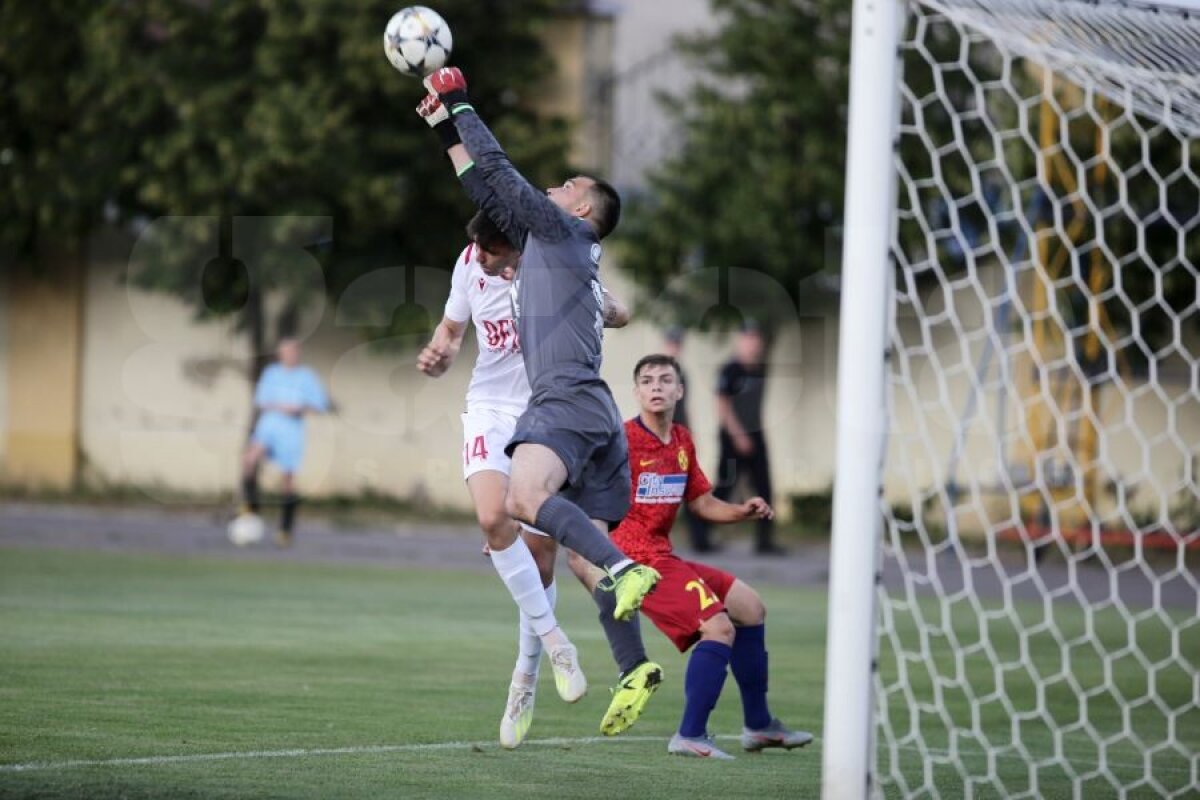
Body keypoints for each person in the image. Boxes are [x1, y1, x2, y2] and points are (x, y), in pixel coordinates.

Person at [415, 67, 664, 734]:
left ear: (578, 209)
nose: (551, 188)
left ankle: (622, 569)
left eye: (565, 187)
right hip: (594, 413)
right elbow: (485, 191)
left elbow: (496, 170)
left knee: (522, 504)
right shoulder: (557, 250)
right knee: (575, 553)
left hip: (564, 401)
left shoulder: (558, 233)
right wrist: (443, 125)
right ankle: (634, 666)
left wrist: (461, 98)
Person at [570, 354, 812, 759]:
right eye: (647, 381)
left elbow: (701, 503)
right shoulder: (620, 440)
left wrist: (742, 511)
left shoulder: (681, 440)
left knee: (750, 608)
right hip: (635, 564)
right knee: (718, 629)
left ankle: (758, 725)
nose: (657, 387)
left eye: (666, 380)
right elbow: (576, 485)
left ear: (680, 390)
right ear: (636, 393)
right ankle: (690, 735)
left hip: (665, 557)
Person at [696, 320, 784, 555]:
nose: (753, 344)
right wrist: (738, 435)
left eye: (756, 339)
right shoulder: (730, 370)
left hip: (757, 434)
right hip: (733, 437)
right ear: (741, 341)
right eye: (748, 339)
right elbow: (722, 405)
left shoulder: (760, 368)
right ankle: (701, 536)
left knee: (764, 487)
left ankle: (765, 541)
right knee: (725, 486)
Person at [239, 337, 328, 547]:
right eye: (286, 351)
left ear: (298, 353)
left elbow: (320, 405)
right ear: (280, 354)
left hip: (291, 432)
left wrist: (298, 408)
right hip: (269, 427)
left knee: (287, 480)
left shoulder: (307, 377)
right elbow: (261, 400)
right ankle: (251, 511)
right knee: (249, 460)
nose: (290, 355)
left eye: (293, 351)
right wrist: (278, 406)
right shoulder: (271, 373)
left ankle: (285, 530)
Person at [661, 327, 716, 553]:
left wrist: (690, 435)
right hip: (665, 437)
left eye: (677, 345)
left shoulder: (682, 375)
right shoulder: (657, 374)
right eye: (671, 344)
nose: (674, 349)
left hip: (680, 437)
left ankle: (699, 539)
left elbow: (685, 408)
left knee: (689, 487)